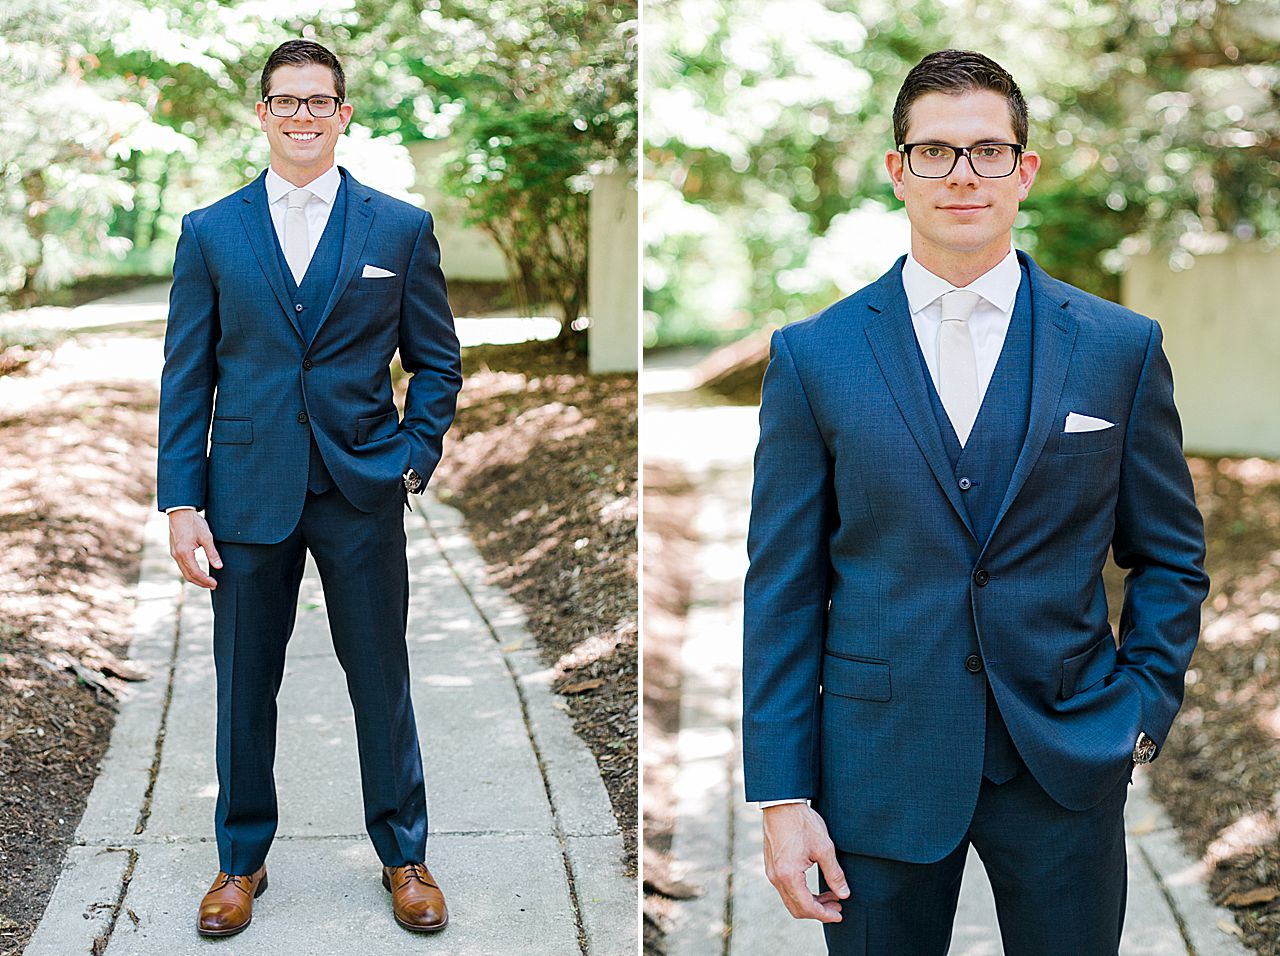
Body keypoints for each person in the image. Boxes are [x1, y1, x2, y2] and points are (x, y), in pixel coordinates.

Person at [742, 49, 1208, 955]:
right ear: (898, 170)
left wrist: (1140, 713)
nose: (963, 174)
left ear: (1024, 171)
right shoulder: (814, 356)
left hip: (1066, 755)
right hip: (877, 764)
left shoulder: (1120, 347)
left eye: (989, 151)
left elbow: (1169, 556)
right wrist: (782, 796)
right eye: (935, 152)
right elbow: (782, 590)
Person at [157, 39, 461, 937]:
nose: (301, 115)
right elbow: (187, 377)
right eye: (285, 101)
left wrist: (411, 456)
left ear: (343, 114)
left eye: (318, 101)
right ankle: (239, 862)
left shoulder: (398, 228)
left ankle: (405, 856)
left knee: (381, 678)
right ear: (262, 113)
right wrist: (181, 502)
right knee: (243, 685)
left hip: (361, 487)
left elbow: (437, 361)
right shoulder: (210, 231)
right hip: (245, 493)